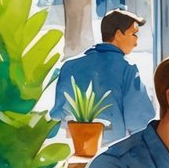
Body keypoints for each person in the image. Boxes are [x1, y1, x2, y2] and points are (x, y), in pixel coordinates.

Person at [51, 8, 156, 145]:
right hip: (112, 151)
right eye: (134, 35)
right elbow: (139, 122)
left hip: (74, 147)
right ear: (118, 34)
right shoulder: (127, 69)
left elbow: (58, 115)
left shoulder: (69, 66)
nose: (136, 43)